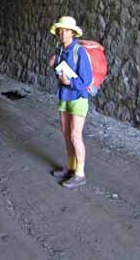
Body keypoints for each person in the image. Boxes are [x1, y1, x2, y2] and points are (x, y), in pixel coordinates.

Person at [48, 16, 92, 189]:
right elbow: (61, 73)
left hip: (79, 98)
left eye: (65, 30)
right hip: (64, 96)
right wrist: (53, 65)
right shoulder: (60, 51)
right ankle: (70, 167)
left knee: (75, 135)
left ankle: (80, 174)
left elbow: (86, 81)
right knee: (66, 134)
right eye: (60, 30)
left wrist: (70, 83)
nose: (61, 33)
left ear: (73, 33)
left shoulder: (79, 51)